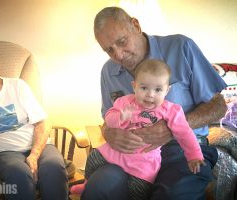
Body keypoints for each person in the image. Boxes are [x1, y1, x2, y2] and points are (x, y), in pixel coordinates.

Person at [81, 6, 228, 200]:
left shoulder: (181, 47)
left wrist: (172, 128)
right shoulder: (108, 71)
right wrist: (108, 132)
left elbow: (220, 106)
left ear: (136, 25)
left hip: (182, 149)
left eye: (121, 41)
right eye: (109, 50)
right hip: (131, 154)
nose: (118, 54)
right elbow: (108, 118)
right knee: (98, 187)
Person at [72, 59, 205, 199]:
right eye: (144, 88)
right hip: (116, 152)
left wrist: (194, 155)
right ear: (134, 86)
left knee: (139, 191)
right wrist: (120, 117)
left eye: (158, 89)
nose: (150, 94)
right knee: (93, 158)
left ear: (167, 90)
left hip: (143, 161)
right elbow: (109, 119)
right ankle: (86, 185)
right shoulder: (124, 102)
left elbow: (184, 133)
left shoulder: (171, 110)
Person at [0, 41, 68, 200]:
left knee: (54, 167)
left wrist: (34, 155)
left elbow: (42, 122)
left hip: (37, 145)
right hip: (0, 152)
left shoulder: (17, 86)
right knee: (19, 173)